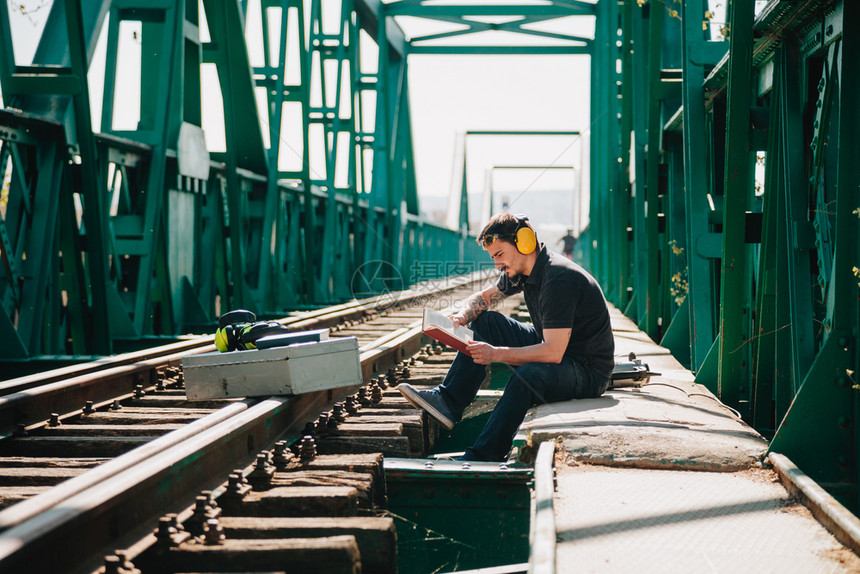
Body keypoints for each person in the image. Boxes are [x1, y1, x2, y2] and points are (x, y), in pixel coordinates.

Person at [398, 213, 615, 462]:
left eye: (499, 255)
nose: (496, 265)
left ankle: (485, 454)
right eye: (493, 258)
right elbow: (485, 297)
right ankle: (448, 401)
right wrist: (463, 316)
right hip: (563, 355)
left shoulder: (558, 279)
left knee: (528, 376)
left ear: (524, 242)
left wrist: (496, 354)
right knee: (486, 320)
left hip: (587, 370)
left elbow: (553, 352)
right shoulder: (525, 271)